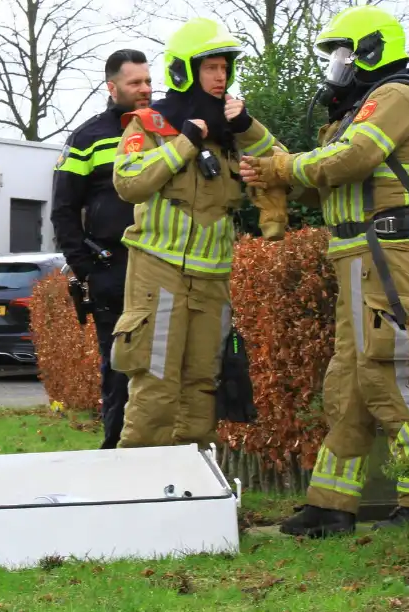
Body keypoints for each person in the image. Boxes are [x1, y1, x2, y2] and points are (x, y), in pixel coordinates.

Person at [239, 5, 409, 537]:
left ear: (372, 50)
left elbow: (350, 161)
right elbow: (323, 177)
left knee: (389, 372)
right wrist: (269, 171)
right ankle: (332, 505)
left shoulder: (397, 97)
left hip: (387, 249)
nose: (337, 65)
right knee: (346, 383)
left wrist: (282, 166)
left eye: (343, 53)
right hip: (354, 251)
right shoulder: (357, 109)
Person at [108, 18, 283, 449]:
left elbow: (283, 165)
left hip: (213, 278)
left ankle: (193, 492)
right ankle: (140, 490)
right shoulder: (150, 123)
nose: (221, 76)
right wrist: (185, 142)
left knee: (203, 385)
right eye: (211, 67)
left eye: (225, 68)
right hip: (159, 272)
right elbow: (129, 183)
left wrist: (249, 127)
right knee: (156, 383)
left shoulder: (233, 131)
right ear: (187, 70)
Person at [51, 49, 152, 449]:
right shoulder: (87, 137)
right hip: (113, 268)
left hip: (164, 264)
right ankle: (115, 452)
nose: (145, 89)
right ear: (112, 88)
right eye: (135, 83)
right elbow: (62, 210)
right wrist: (86, 267)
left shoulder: (165, 127)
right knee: (119, 367)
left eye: (148, 81)